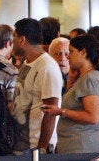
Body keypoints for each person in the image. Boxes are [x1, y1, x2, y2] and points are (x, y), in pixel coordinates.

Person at [42, 35, 99, 154]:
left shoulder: (90, 79)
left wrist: (61, 112)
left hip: (85, 147)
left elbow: (93, 117)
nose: (68, 56)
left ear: (83, 53)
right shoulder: (83, 78)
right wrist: (71, 81)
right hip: (78, 147)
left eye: (71, 52)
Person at [11, 18, 63, 155]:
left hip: (36, 147)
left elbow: (51, 112)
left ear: (22, 40)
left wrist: (42, 149)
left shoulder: (47, 67)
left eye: (14, 38)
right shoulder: (27, 62)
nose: (11, 43)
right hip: (21, 144)